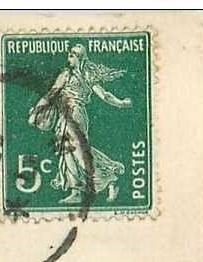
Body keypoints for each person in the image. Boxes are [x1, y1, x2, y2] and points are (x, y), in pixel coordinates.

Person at [28, 44, 132, 204]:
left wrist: (121, 103)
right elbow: (50, 95)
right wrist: (35, 112)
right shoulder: (64, 75)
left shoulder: (87, 75)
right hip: (64, 115)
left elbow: (104, 95)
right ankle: (76, 191)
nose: (70, 56)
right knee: (67, 151)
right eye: (70, 53)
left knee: (77, 151)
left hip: (76, 114)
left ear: (81, 58)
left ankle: (108, 178)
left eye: (74, 54)